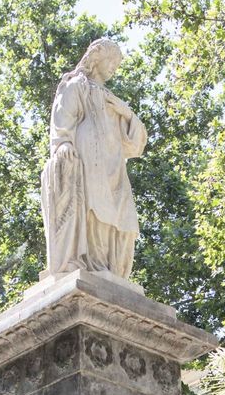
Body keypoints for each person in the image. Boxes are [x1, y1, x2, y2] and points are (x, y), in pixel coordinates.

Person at [40, 38, 147, 277]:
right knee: (95, 212)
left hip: (115, 167)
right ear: (98, 58)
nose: (113, 68)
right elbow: (63, 117)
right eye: (111, 61)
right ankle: (94, 264)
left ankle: (112, 268)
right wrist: (64, 143)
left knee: (123, 219)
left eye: (116, 65)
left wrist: (126, 113)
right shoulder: (77, 85)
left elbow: (135, 145)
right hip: (90, 161)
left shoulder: (112, 99)